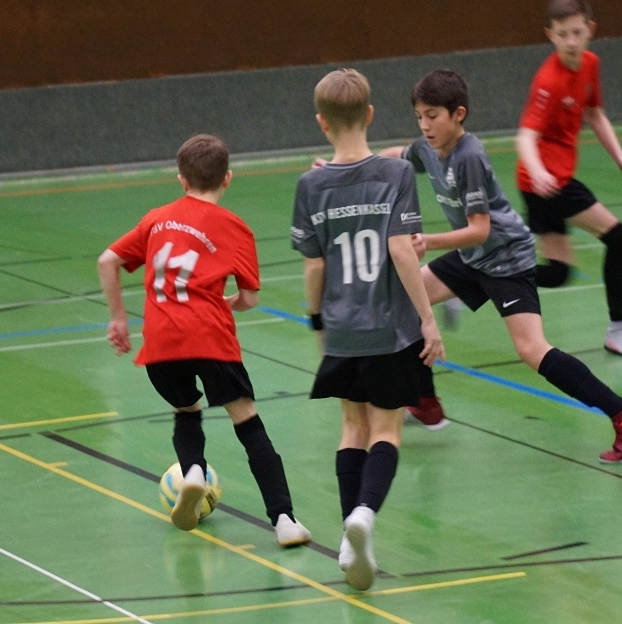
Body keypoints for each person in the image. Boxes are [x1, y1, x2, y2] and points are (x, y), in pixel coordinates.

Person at [376, 68, 622, 464]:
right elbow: (398, 157)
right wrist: (351, 162)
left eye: (432, 116)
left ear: (458, 114)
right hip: (474, 256)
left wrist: (429, 241)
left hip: (505, 257)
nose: (424, 125)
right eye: (419, 116)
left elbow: (480, 230)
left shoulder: (469, 157)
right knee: (404, 297)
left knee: (531, 349)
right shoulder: (428, 147)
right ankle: (426, 403)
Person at [97, 134, 313, 546]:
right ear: (227, 178)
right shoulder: (234, 227)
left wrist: (119, 319)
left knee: (186, 410)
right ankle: (284, 519)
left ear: (181, 179)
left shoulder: (157, 219)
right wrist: (223, 302)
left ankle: (193, 470)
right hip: (211, 338)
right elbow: (249, 298)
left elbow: (107, 261)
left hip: (161, 342)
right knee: (247, 422)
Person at [292, 69, 445, 591]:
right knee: (387, 431)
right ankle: (364, 515)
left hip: (342, 327)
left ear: (321, 122)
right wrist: (427, 318)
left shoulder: (310, 184)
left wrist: (318, 320)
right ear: (371, 115)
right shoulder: (395, 173)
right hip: (389, 328)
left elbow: (314, 266)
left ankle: (347, 538)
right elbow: (401, 249)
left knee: (351, 428)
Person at [515, 0, 622, 357]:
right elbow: (525, 137)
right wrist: (540, 171)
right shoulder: (548, 80)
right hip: (547, 183)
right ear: (550, 35)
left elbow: (595, 113)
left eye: (577, 32)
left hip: (548, 181)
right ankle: (618, 330)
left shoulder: (590, 64)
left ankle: (476, 276)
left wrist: (621, 159)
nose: (571, 41)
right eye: (563, 35)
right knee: (619, 237)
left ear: (589, 29)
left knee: (558, 273)